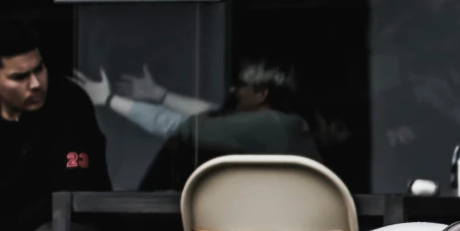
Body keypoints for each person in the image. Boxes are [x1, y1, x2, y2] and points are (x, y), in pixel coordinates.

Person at [0, 21, 116, 231]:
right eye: (19, 77)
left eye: (39, 70)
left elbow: (70, 194)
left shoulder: (68, 102)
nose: (35, 84)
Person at [76, 58, 317, 169]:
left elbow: (177, 126)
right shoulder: (281, 125)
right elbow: (217, 116)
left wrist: (109, 100)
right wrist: (160, 94)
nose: (233, 90)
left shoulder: (269, 126)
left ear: (261, 94)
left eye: (240, 85)